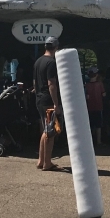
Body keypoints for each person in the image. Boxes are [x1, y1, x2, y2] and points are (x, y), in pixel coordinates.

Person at [34, 36, 63, 171]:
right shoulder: (51, 63)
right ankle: (47, 163)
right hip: (48, 100)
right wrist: (56, 103)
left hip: (39, 99)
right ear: (56, 48)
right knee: (50, 131)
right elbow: (51, 84)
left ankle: (41, 160)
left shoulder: (38, 61)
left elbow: (35, 82)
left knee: (45, 129)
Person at [84, 66, 105, 146]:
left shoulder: (87, 85)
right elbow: (104, 94)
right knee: (98, 125)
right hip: (99, 106)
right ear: (96, 75)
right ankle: (99, 141)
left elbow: (86, 96)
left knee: (91, 124)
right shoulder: (100, 84)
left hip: (90, 107)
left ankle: (91, 140)